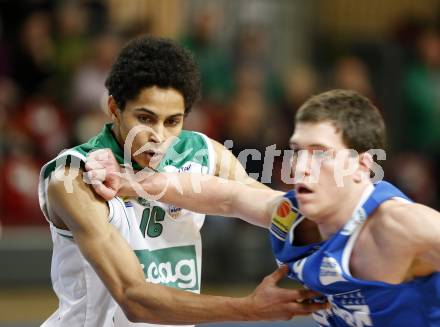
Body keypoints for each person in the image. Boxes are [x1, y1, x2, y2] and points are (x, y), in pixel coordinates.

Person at [38, 36, 327, 327]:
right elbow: (133, 297)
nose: (159, 136)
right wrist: (249, 309)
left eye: (172, 121)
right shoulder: (73, 177)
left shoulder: (204, 154)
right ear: (114, 108)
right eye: (145, 118)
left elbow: (267, 204)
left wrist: (336, 221)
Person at [88, 89, 440, 326]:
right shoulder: (292, 215)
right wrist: (129, 182)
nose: (299, 167)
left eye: (319, 154)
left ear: (362, 167)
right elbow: (224, 195)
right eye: (298, 151)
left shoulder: (400, 226)